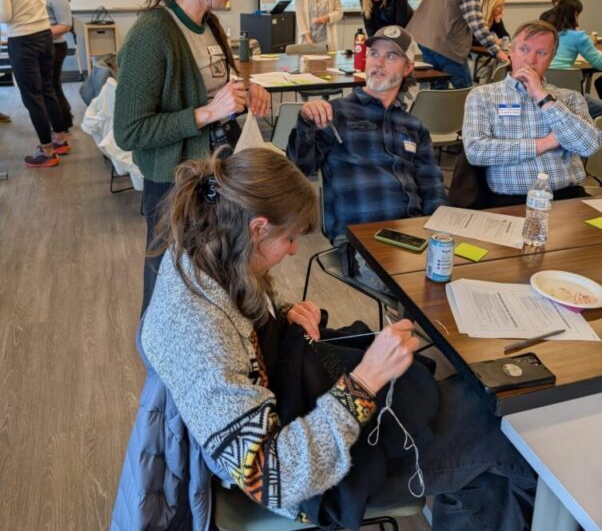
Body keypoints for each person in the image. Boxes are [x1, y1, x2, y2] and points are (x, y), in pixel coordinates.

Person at [112, 147, 535, 531]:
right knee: (502, 427)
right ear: (258, 228)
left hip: (292, 416)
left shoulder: (200, 249)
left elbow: (238, 346)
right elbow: (272, 477)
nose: (295, 250)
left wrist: (277, 320)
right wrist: (365, 382)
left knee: (475, 407)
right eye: (290, 237)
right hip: (306, 482)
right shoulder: (200, 331)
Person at [114, 0, 270, 314]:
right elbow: (129, 131)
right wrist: (203, 114)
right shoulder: (153, 33)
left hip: (216, 179)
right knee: (168, 291)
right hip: (174, 191)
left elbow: (220, 87)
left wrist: (245, 91)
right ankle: (161, 371)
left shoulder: (210, 25)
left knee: (214, 285)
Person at [287, 25, 447, 290]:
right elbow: (299, 167)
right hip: (364, 238)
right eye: (374, 53)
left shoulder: (414, 126)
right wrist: (305, 123)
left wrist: (442, 234)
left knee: (462, 276)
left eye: (391, 56)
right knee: (422, 292)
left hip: (413, 235)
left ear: (408, 68)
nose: (379, 63)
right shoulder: (335, 113)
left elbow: (432, 186)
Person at [463, 20, 602, 207]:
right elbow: (476, 152)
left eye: (542, 53)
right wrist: (544, 143)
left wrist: (543, 98)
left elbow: (588, 146)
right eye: (524, 49)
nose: (531, 59)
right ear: (511, 51)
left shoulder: (569, 98)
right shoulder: (483, 96)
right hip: (509, 200)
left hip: (566, 196)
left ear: (551, 58)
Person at [0, 0, 69, 167]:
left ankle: (48, 152)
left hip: (23, 40)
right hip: (44, 36)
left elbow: (5, 15)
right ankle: (60, 138)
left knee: (32, 98)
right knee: (48, 89)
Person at [407, 0, 509, 88]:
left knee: (437, 88)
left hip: (426, 40)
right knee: (465, 90)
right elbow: (476, 22)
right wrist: (497, 51)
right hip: (446, 46)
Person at [35, 0, 74, 132]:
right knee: (51, 86)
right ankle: (63, 121)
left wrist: (39, 32)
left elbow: (65, 25)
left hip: (56, 47)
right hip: (47, 46)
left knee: (51, 87)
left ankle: (63, 123)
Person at [547, 0, 602, 110]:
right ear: (575, 14)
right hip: (571, 95)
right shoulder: (578, 37)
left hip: (544, 92)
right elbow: (598, 63)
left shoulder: (545, 33)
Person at [473, 0, 510, 83]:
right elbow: (472, 40)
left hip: (487, 53)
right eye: (499, 6)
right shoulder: (478, 19)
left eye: (503, 6)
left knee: (501, 61)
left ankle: (494, 82)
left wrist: (498, 22)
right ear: (491, 6)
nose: (502, 9)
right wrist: (493, 41)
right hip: (474, 54)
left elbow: (506, 37)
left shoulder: (495, 19)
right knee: (496, 60)